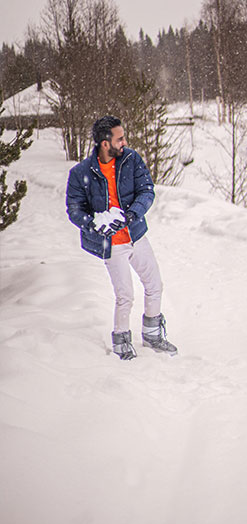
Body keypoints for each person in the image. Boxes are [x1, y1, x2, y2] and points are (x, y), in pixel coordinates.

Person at [66, 115, 177, 360]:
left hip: (135, 235)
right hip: (112, 244)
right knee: (125, 295)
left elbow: (147, 190)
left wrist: (131, 214)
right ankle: (122, 341)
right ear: (105, 143)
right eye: (120, 138)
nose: (125, 142)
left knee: (155, 285)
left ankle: (152, 334)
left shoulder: (131, 159)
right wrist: (93, 224)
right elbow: (74, 209)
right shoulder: (81, 173)